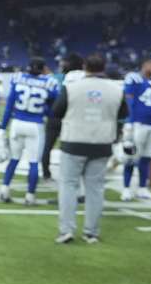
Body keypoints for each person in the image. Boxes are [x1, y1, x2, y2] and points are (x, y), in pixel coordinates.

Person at [51, 54, 127, 244]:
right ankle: (91, 231)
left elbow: (56, 111)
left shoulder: (71, 87)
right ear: (104, 67)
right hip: (102, 142)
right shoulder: (116, 89)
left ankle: (66, 230)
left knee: (68, 186)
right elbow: (123, 114)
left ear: (85, 67)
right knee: (95, 189)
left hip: (74, 140)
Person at [0, 58, 59, 206]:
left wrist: (2, 128)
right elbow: (54, 110)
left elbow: (8, 107)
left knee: (14, 159)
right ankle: (30, 196)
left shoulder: (18, 78)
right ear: (43, 68)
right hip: (35, 125)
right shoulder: (50, 83)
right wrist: (45, 110)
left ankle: (4, 190)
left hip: (17, 123)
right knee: (33, 163)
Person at [120, 58, 151, 201]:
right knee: (131, 157)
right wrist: (130, 122)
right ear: (145, 65)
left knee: (146, 157)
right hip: (137, 123)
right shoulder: (133, 78)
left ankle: (142, 188)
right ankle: (126, 188)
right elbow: (129, 99)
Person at [41, 53, 84, 181]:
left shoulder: (54, 78)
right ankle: (72, 175)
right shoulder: (82, 78)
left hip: (54, 116)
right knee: (71, 149)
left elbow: (46, 97)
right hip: (71, 117)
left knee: (47, 146)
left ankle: (46, 173)